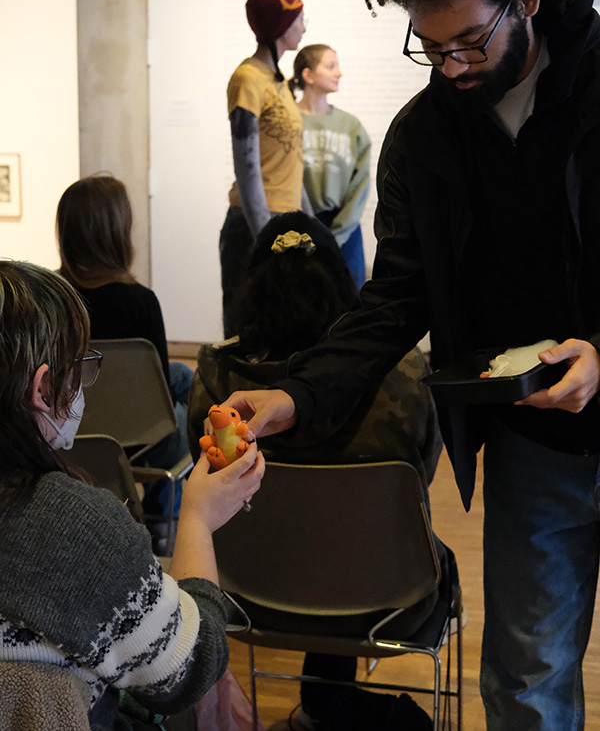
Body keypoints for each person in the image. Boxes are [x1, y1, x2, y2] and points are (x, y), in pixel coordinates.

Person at [221, 0, 600, 731]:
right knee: (528, 682)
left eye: (469, 41)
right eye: (431, 47)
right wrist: (296, 393)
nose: (452, 66)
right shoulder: (426, 135)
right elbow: (395, 297)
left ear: (527, 0)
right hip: (536, 444)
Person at [188, 211, 443, 729]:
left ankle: (323, 704)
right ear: (344, 284)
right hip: (389, 599)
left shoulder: (217, 379)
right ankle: (328, 702)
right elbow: (422, 475)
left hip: (247, 594)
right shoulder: (404, 372)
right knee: (360, 541)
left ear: (251, 289)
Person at [0, 259, 265, 730]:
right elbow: (189, 671)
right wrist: (197, 520)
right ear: (42, 388)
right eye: (78, 368)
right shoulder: (76, 529)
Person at [56, 173, 192, 520]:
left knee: (181, 374)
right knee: (189, 410)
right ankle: (164, 516)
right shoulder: (141, 302)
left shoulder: (50, 297)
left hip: (67, 429)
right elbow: (158, 394)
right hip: (139, 439)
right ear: (118, 232)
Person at [220, 0, 310, 337]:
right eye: (298, 19)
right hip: (254, 226)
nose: (304, 27)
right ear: (279, 26)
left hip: (285, 223)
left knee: (284, 330)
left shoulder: (278, 81)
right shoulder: (248, 79)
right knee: (248, 333)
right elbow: (247, 168)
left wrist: (309, 223)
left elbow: (291, 160)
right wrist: (264, 238)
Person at [290, 44, 371, 288]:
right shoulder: (286, 122)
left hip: (344, 233)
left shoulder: (351, 126)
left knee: (347, 301)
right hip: (296, 232)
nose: (339, 73)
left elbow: (360, 186)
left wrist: (337, 235)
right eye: (331, 66)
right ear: (308, 75)